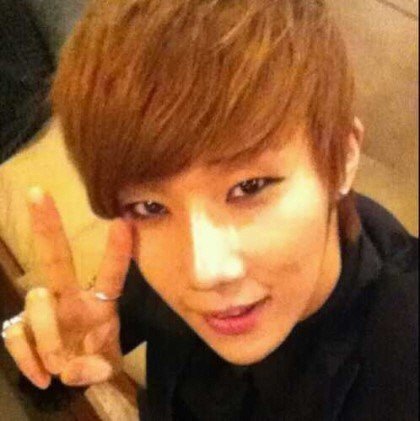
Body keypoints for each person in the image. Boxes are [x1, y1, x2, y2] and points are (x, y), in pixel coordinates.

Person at [2, 0, 418, 419]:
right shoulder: (153, 247)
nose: (205, 270)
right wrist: (49, 358)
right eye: (151, 205)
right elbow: (75, 352)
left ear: (343, 157)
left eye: (249, 187)